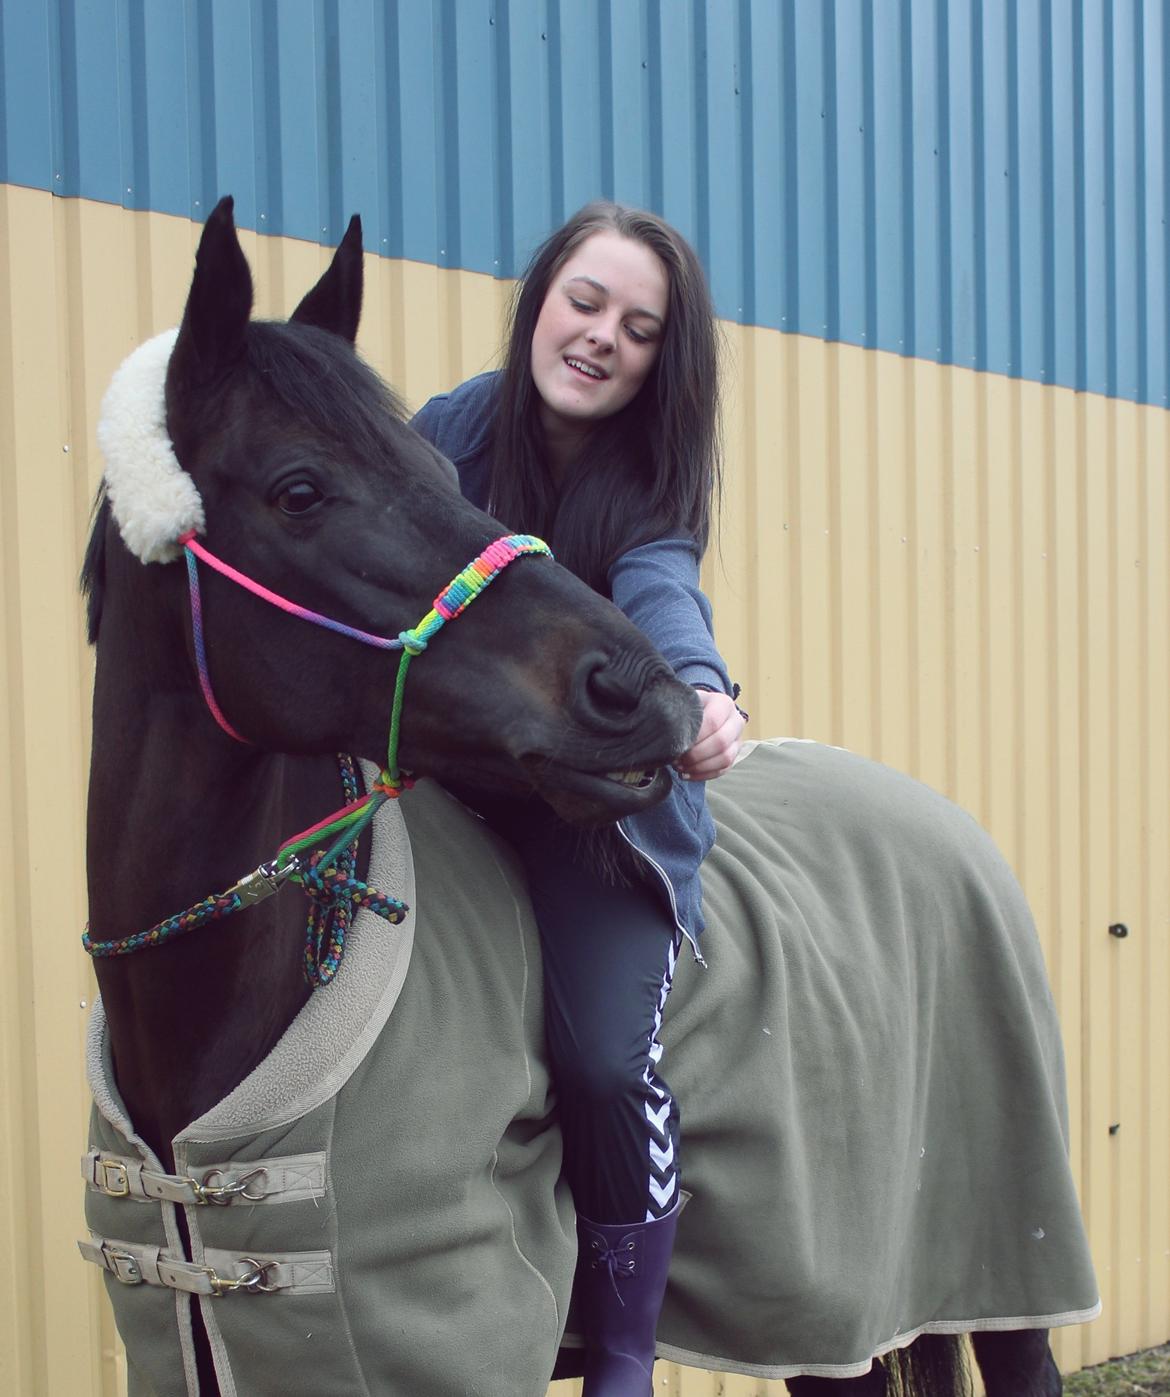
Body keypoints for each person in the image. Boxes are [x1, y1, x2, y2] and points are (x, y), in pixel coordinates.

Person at [411, 201, 746, 1396]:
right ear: (541, 298)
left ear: (666, 359)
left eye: (641, 327)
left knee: (606, 1062)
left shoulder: (649, 486)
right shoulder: (448, 432)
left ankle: (617, 1352)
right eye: (586, 301)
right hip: (445, 794)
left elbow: (665, 601)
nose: (602, 336)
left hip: (588, 817)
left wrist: (702, 694)